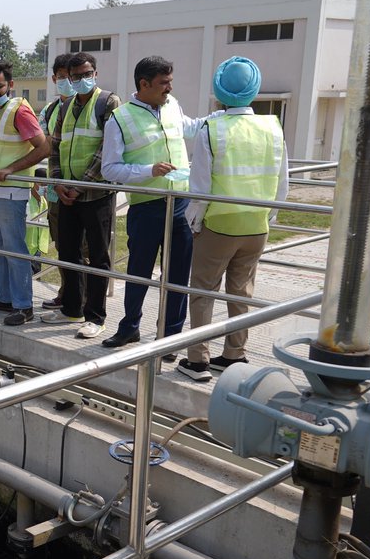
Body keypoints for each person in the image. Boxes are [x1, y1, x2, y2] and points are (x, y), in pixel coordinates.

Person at [178, 57, 288, 382]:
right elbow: (282, 183)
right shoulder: (273, 127)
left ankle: (198, 361)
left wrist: (195, 223)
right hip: (257, 225)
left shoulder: (212, 129)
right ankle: (233, 355)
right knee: (240, 292)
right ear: (254, 90)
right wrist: (268, 215)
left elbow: (200, 189)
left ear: (218, 93)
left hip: (219, 225)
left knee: (202, 291)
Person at [101, 55, 204, 350]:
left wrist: (225, 117)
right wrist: (148, 171)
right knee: (139, 272)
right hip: (147, 208)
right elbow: (110, 169)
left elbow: (190, 128)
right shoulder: (119, 118)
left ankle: (170, 337)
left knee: (177, 276)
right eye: (163, 83)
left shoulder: (172, 106)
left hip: (180, 205)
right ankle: (130, 327)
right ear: (143, 84)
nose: (169, 88)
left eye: (170, 81)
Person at [44, 52, 121, 339]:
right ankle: (72, 308)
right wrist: (58, 182)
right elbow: (56, 146)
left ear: (95, 73)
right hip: (67, 194)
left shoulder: (108, 102)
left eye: (86, 74)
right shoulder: (66, 107)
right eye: (75, 76)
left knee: (98, 255)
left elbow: (107, 149)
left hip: (96, 194)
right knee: (68, 251)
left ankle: (95, 316)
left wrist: (80, 185)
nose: (80, 80)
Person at [0, 61, 51, 325]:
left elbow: (43, 148)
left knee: (15, 248)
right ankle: (5, 297)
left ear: (10, 85)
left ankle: (23, 306)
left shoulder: (18, 110)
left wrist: (10, 169)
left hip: (12, 193)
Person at [38, 53, 75, 309]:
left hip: (80, 190)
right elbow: (44, 146)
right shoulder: (50, 110)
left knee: (81, 249)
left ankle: (79, 298)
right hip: (55, 190)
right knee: (61, 244)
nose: (67, 82)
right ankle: (66, 292)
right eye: (62, 77)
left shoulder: (88, 107)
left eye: (71, 77)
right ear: (54, 79)